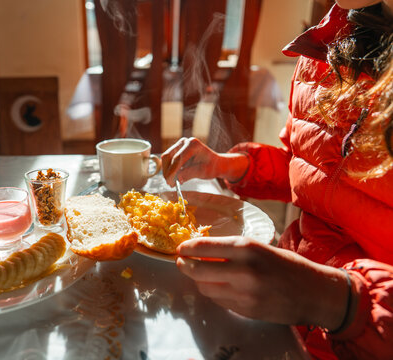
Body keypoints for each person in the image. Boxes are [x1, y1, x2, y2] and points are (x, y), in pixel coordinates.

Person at [161, 1, 393, 359]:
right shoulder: (331, 42)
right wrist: (229, 166)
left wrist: (339, 301)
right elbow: (308, 169)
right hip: (285, 322)